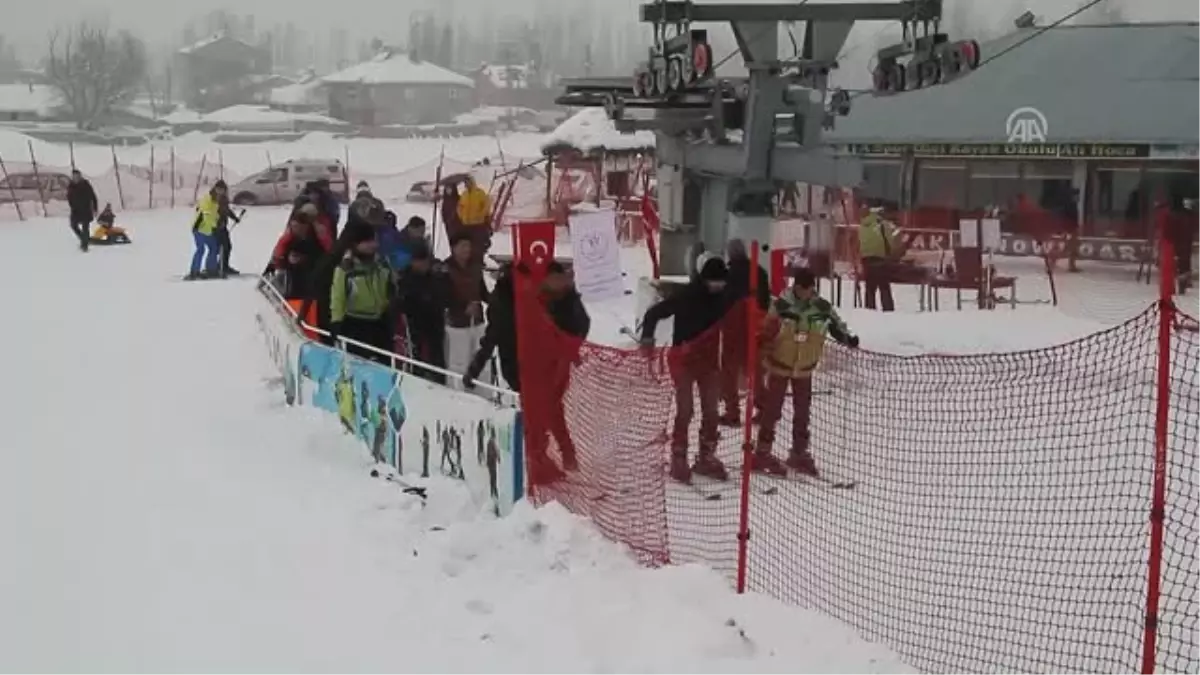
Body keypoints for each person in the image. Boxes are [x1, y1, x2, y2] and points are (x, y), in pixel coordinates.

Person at [465, 261, 590, 481]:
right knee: (538, 414)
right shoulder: (505, 302)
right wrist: (475, 368)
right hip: (519, 366)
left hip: (549, 363)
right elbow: (492, 337)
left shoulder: (545, 297)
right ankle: (540, 458)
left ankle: (556, 455)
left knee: (551, 410)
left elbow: (579, 324)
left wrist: (569, 349)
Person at [754, 268, 858, 476]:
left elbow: (836, 325)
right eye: (802, 290)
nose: (806, 293)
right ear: (796, 287)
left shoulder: (821, 307)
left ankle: (799, 452)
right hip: (780, 364)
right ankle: (762, 452)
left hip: (804, 368)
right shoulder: (782, 305)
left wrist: (847, 338)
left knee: (802, 412)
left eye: (810, 289)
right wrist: (763, 343)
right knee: (772, 410)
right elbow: (767, 327)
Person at [640, 256, 731, 484]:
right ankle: (678, 456)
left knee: (711, 411)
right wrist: (648, 338)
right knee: (686, 409)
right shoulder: (687, 296)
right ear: (706, 280)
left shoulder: (722, 298)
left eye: (722, 282)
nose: (718, 286)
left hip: (708, 363)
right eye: (715, 282)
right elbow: (653, 314)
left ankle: (706, 455)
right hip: (683, 360)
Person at [720, 239, 771, 426]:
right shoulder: (760, 272)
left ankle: (732, 411)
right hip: (755, 325)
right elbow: (766, 301)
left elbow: (723, 302)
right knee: (755, 369)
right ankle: (764, 407)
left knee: (729, 371)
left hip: (733, 329)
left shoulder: (729, 275)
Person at [329, 223, 394, 364]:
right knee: (359, 363)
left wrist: (391, 302)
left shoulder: (382, 263)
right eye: (367, 241)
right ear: (356, 244)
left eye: (373, 240)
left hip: (380, 322)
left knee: (385, 363)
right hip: (356, 323)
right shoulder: (346, 269)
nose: (372, 245)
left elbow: (390, 285)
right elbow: (338, 296)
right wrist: (336, 321)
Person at [395, 240, 449, 383]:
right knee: (417, 359)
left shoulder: (435, 277)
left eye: (425, 261)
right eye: (419, 261)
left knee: (437, 359)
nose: (423, 265)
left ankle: (439, 379)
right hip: (414, 328)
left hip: (435, 326)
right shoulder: (405, 279)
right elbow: (401, 303)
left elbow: (442, 297)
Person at [442, 233, 490, 385]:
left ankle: (482, 390)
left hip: (477, 319)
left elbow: (483, 292)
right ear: (453, 248)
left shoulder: (475, 267)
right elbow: (444, 296)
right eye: (462, 246)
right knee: (458, 360)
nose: (466, 249)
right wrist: (463, 307)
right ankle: (456, 390)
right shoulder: (446, 269)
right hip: (457, 322)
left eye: (468, 246)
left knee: (480, 359)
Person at [858, 204, 899, 312]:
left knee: (870, 288)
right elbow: (889, 240)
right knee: (884, 286)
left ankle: (869, 309)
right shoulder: (882, 224)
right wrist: (891, 252)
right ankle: (888, 310)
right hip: (880, 258)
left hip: (866, 259)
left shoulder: (862, 225)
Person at [188, 180, 226, 280]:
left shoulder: (216, 200)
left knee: (214, 248)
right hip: (199, 228)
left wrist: (219, 220)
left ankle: (211, 269)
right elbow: (206, 214)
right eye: (219, 189)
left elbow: (214, 214)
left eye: (222, 190)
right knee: (201, 249)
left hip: (208, 230)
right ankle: (194, 271)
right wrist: (216, 225)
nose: (220, 192)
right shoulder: (207, 198)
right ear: (215, 188)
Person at [456, 176, 492, 265]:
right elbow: (459, 207)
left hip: (478, 224)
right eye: (465, 183)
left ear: (472, 182)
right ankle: (470, 261)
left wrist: (481, 215)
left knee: (478, 244)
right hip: (466, 224)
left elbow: (487, 205)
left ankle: (479, 260)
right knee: (468, 244)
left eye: (467, 182)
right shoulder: (464, 194)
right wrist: (461, 217)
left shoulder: (480, 193)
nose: (466, 184)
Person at [66, 169, 98, 252]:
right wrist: (71, 204)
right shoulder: (71, 185)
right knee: (73, 225)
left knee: (85, 227)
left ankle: (85, 245)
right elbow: (69, 196)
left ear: (80, 176)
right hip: (75, 210)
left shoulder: (85, 184)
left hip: (85, 209)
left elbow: (93, 196)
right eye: (74, 176)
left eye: (77, 176)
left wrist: (95, 208)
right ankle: (84, 239)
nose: (75, 178)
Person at [213, 191, 242, 277]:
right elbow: (215, 214)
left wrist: (235, 218)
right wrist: (218, 224)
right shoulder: (217, 201)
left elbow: (227, 211)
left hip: (223, 228)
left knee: (227, 247)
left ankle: (223, 265)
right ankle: (219, 266)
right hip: (217, 229)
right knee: (222, 247)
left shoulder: (223, 201)